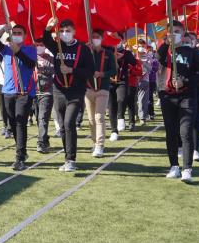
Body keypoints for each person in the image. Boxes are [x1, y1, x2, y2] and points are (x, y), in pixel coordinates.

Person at [43, 17, 95, 172]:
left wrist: (72, 70)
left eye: (68, 31)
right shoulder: (57, 46)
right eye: (62, 31)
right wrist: (48, 27)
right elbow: (45, 40)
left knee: (69, 123)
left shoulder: (83, 49)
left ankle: (71, 159)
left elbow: (90, 71)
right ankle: (67, 157)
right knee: (62, 127)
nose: (65, 33)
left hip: (76, 91)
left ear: (74, 32)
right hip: (59, 90)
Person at [157, 21, 199, 183]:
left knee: (185, 132)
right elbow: (160, 59)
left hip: (187, 96)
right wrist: (166, 43)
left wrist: (184, 81)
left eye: (177, 31)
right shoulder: (165, 50)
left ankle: (187, 168)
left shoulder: (192, 53)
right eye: (171, 31)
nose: (174, 34)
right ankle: (174, 166)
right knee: (171, 132)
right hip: (167, 96)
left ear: (183, 33)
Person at [0, 23, 37, 171]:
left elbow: (31, 64)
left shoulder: (30, 49)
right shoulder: (6, 49)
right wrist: (3, 30)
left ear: (24, 36)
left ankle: (19, 157)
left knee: (20, 122)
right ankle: (22, 151)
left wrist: (18, 52)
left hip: (24, 92)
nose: (16, 35)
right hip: (8, 91)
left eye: (19, 33)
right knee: (13, 123)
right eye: (14, 32)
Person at [84, 30, 117, 158]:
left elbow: (114, 71)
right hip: (88, 89)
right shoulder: (87, 53)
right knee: (91, 119)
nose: (95, 39)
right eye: (92, 37)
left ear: (102, 39)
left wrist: (102, 74)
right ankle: (94, 141)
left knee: (99, 117)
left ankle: (100, 144)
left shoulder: (108, 54)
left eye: (97, 37)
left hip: (102, 89)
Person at [109, 43, 137, 140]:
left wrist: (123, 56)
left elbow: (134, 62)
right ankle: (114, 131)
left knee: (122, 99)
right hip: (109, 81)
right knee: (111, 106)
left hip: (122, 81)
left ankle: (121, 117)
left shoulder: (127, 53)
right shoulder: (107, 51)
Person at [33, 41, 55, 154]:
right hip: (33, 92)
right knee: (38, 118)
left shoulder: (50, 58)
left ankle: (41, 143)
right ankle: (45, 138)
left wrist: (43, 69)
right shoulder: (31, 57)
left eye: (41, 44)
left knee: (43, 118)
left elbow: (53, 70)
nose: (39, 47)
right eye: (36, 45)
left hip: (47, 92)